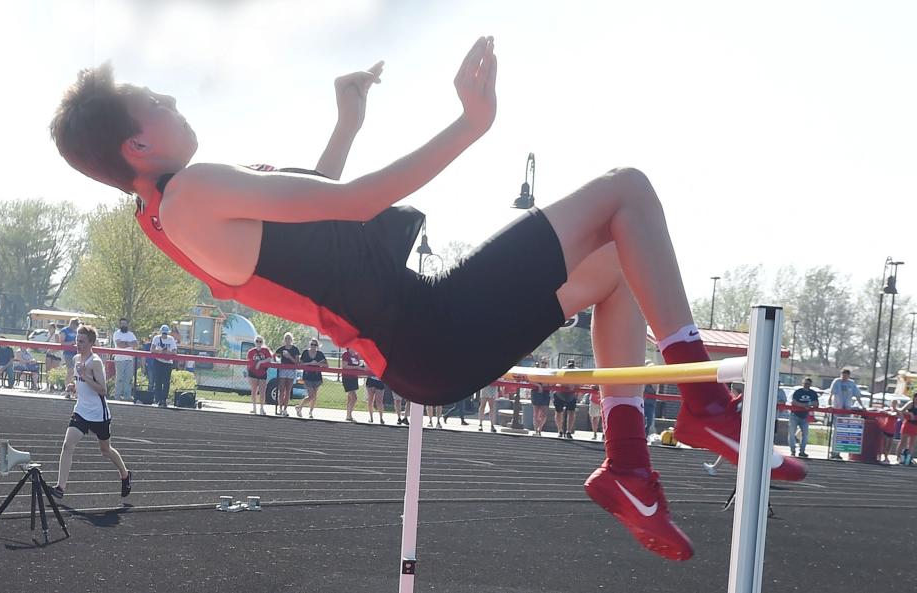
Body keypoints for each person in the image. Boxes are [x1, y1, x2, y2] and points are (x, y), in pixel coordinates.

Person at [51, 37, 807, 560]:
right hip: (428, 326)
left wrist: (347, 125)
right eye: (153, 98)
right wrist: (470, 127)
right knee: (627, 189)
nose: (171, 97)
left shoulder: (163, 212)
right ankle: (705, 405)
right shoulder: (194, 187)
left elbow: (311, 223)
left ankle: (628, 467)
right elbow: (349, 205)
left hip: (417, 340)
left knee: (614, 265)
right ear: (136, 147)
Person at [51, 325, 131, 499]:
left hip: (98, 414)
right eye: (77, 341)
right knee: (67, 445)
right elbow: (80, 382)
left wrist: (85, 377)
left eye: (82, 341)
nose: (77, 344)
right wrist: (74, 386)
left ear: (91, 343)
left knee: (105, 450)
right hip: (81, 411)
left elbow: (103, 390)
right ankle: (60, 487)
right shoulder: (76, 358)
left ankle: (125, 474)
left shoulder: (95, 362)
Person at [828, 369, 864, 460]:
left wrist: (862, 406)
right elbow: (831, 394)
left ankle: (839, 451)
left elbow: (857, 395)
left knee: (844, 431)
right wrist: (829, 404)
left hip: (847, 410)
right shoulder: (837, 382)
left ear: (849, 376)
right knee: (836, 431)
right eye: (843, 375)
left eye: (846, 375)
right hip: (838, 409)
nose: (844, 377)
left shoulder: (851, 383)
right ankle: (834, 452)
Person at [296, 338, 328, 418]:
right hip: (307, 376)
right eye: (312, 344)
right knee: (311, 395)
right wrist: (310, 363)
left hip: (317, 376)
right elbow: (300, 364)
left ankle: (310, 412)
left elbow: (326, 365)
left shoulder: (320, 354)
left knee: (314, 395)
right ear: (310, 345)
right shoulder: (305, 353)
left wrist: (317, 363)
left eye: (315, 345)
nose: (313, 346)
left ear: (317, 346)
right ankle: (299, 407)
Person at [788, 377, 818, 458]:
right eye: (805, 383)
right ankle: (793, 451)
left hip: (805, 416)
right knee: (791, 434)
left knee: (805, 434)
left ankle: (802, 451)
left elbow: (816, 403)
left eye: (808, 384)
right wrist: (804, 405)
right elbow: (793, 402)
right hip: (794, 415)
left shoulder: (813, 393)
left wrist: (810, 404)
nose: (806, 385)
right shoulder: (798, 392)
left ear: (810, 384)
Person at [111, 318, 139, 401]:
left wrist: (126, 343)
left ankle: (127, 396)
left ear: (127, 324)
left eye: (125, 323)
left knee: (128, 378)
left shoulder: (131, 334)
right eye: (122, 323)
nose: (123, 325)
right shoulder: (117, 334)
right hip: (119, 359)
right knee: (119, 378)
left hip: (129, 359)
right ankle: (117, 395)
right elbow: (120, 345)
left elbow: (136, 344)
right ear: (119, 325)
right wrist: (130, 344)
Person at [150, 324, 177, 407]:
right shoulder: (156, 338)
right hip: (158, 362)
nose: (164, 335)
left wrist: (167, 352)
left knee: (166, 382)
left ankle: (164, 399)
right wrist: (160, 351)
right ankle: (158, 399)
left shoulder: (171, 339)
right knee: (157, 381)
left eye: (165, 333)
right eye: (163, 333)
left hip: (168, 363)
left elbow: (174, 351)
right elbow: (152, 349)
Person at [274, 333, 300, 417]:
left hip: (291, 370)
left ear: (291, 339)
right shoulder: (281, 349)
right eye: (286, 338)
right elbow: (274, 355)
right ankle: (280, 408)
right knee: (281, 390)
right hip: (283, 370)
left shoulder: (295, 349)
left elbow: (297, 362)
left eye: (289, 338)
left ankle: (285, 409)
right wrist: (277, 362)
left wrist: (289, 356)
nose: (287, 340)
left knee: (288, 391)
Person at [246, 335, 273, 415]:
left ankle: (261, 408)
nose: (258, 343)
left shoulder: (265, 350)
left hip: (262, 373)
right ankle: (254, 408)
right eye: (257, 341)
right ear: (255, 342)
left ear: (262, 342)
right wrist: (248, 374)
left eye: (260, 341)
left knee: (262, 392)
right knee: (254, 390)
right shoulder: (251, 351)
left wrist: (260, 362)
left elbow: (269, 359)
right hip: (253, 373)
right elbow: (248, 363)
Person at [553, 360, 579, 439]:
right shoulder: (562, 370)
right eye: (569, 366)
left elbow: (581, 383)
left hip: (571, 395)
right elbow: (557, 380)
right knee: (558, 412)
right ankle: (560, 430)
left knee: (571, 412)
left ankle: (569, 431)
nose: (570, 368)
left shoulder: (578, 372)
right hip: (560, 394)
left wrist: (574, 385)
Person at [58, 318, 80, 397]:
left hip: (77, 353)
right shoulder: (64, 331)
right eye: (75, 324)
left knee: (77, 372)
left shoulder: (77, 331)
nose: (76, 326)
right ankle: (67, 389)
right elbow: (62, 342)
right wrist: (72, 343)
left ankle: (75, 390)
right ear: (71, 323)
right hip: (68, 353)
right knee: (70, 370)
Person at [340, 347, 361, 422]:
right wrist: (357, 367)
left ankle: (348, 415)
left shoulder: (356, 355)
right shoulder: (346, 354)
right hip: (347, 378)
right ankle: (349, 415)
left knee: (350, 398)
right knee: (354, 397)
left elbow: (358, 365)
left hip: (354, 378)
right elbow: (345, 366)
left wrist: (360, 368)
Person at [897, 397, 917, 465]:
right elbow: (901, 410)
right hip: (908, 424)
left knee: (912, 443)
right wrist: (909, 414)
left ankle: (908, 458)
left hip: (915, 426)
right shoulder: (910, 404)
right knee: (903, 442)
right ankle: (899, 457)